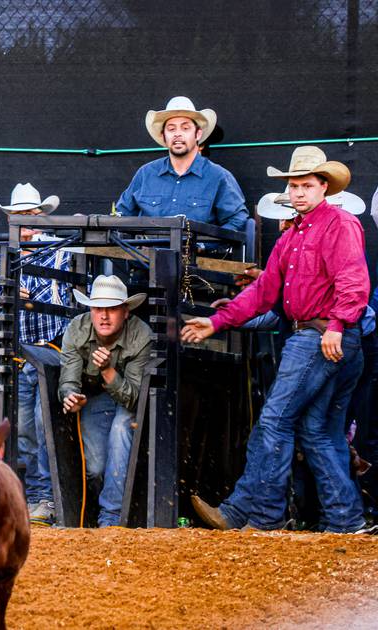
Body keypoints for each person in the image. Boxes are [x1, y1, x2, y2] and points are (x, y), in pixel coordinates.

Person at [182, 146, 369, 533]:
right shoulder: (292, 238)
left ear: (324, 187)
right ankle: (346, 520)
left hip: (321, 336)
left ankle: (256, 516)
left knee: (275, 422)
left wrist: (336, 324)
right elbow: (265, 291)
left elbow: (353, 280)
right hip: (332, 337)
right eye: (294, 186)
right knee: (318, 432)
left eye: (306, 185)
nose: (299, 192)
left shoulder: (338, 224)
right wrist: (217, 322)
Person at [0, 183, 72, 524]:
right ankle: (36, 497)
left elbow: (70, 301)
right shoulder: (6, 257)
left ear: (39, 218)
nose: (25, 225)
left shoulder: (61, 252)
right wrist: (10, 294)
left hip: (50, 352)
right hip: (21, 356)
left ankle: (46, 498)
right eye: (18, 219)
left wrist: (25, 296)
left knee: (42, 425)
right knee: (25, 429)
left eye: (29, 218)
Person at [57, 275, 151, 527]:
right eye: (98, 308)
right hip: (96, 399)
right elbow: (68, 380)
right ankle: (100, 513)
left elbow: (133, 400)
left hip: (126, 401)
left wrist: (108, 371)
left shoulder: (141, 336)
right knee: (96, 467)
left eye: (111, 309)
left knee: (121, 429)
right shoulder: (77, 328)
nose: (104, 316)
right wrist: (70, 397)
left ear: (126, 312)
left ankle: (110, 518)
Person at [115, 96, 247, 232]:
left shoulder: (218, 176)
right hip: (146, 252)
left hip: (198, 253)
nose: (178, 134)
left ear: (198, 134)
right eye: (171, 129)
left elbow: (237, 219)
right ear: (163, 136)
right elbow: (121, 216)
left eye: (185, 128)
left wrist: (207, 245)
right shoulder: (145, 174)